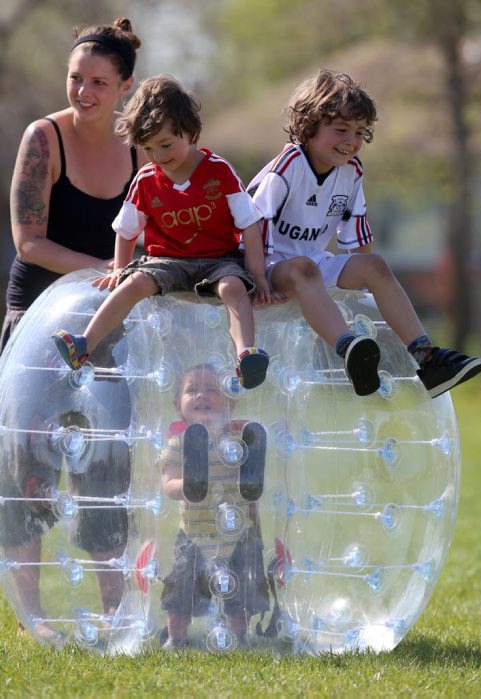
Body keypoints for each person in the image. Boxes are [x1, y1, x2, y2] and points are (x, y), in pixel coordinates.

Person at [0, 17, 146, 642]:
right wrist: (110, 273)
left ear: (124, 87)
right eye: (75, 79)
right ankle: (37, 620)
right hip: (35, 321)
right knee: (29, 467)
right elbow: (29, 243)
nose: (82, 91)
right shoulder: (44, 138)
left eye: (97, 82)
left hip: (107, 330)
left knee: (106, 468)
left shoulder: (144, 151)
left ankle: (114, 613)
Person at [248, 69, 481, 398]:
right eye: (341, 129)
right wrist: (257, 280)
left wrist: (368, 288)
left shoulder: (352, 170)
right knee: (305, 269)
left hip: (314, 264)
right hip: (269, 266)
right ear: (309, 127)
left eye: (360, 132)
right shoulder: (288, 165)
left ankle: (427, 359)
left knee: (374, 264)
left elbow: (357, 233)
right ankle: (351, 350)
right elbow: (252, 224)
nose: (352, 141)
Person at [52, 75, 285, 390]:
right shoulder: (146, 179)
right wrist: (120, 268)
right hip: (167, 260)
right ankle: (83, 344)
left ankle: (246, 356)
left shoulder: (220, 171)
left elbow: (249, 224)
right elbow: (126, 228)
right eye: (148, 149)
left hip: (218, 259)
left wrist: (258, 278)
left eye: (165, 145)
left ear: (188, 131)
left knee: (233, 288)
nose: (159, 157)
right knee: (134, 282)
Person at [159, 363, 269, 649]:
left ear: (230, 400)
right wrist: (188, 486)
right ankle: (176, 636)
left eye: (211, 390)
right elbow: (168, 484)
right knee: (181, 587)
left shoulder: (237, 442)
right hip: (194, 533)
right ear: (177, 404)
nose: (201, 396)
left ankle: (240, 634)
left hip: (237, 531)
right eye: (191, 390)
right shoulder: (178, 442)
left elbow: (250, 484)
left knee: (242, 587)